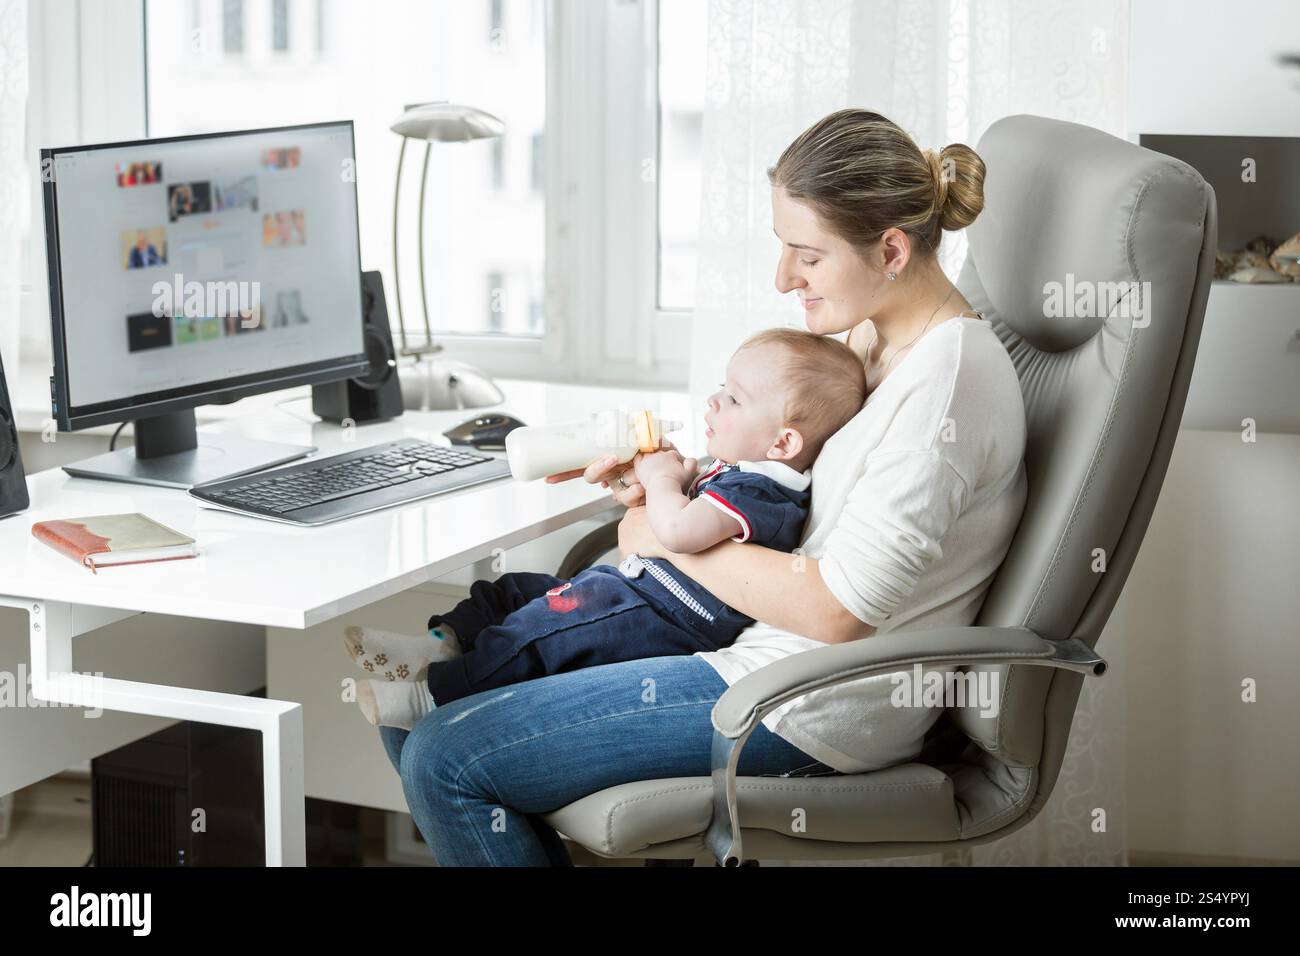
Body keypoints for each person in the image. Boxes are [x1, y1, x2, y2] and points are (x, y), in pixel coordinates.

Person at [377, 108, 1028, 866]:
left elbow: (840, 610)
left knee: (442, 757)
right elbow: (782, 495)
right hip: (742, 645)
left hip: (808, 704)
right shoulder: (871, 337)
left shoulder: (945, 386)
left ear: (890, 249)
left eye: (806, 256)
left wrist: (666, 532)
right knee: (416, 692)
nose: (783, 278)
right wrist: (678, 483)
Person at [343, 328, 867, 728]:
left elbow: (680, 533)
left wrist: (663, 483)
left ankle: (428, 697)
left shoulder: (765, 494)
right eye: (719, 389)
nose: (713, 402)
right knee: (514, 590)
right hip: (641, 591)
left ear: (783, 444)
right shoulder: (741, 470)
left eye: (734, 399)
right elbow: (684, 518)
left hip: (665, 617)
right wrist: (663, 476)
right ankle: (440, 643)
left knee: (538, 632)